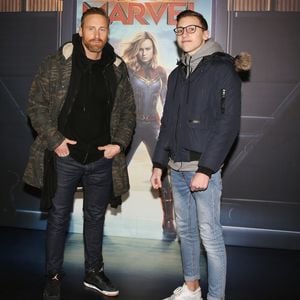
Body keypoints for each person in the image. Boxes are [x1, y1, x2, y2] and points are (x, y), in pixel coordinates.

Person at [23, 7, 135, 300]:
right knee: (59, 217)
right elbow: (36, 106)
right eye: (91, 29)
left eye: (102, 30)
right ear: (81, 30)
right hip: (65, 157)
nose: (97, 35)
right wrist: (55, 140)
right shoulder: (57, 63)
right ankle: (54, 276)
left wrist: (119, 144)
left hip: (101, 159)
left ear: (108, 33)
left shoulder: (117, 67)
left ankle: (93, 272)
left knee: (95, 217)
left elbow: (128, 112)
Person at [151, 10, 243, 300]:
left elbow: (229, 125)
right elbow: (168, 121)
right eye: (180, 30)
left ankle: (216, 297)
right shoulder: (178, 73)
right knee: (187, 233)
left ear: (206, 33)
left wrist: (206, 168)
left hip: (203, 169)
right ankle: (191, 289)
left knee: (210, 237)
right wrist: (158, 162)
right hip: (176, 167)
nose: (185, 34)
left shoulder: (222, 68)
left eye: (192, 28)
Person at [122, 32, 176, 239]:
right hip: (132, 125)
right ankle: (98, 211)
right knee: (116, 168)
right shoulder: (127, 70)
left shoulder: (161, 72)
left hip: (153, 125)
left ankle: (168, 219)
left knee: (162, 171)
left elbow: (167, 103)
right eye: (141, 48)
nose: (144, 52)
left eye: (148, 48)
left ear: (154, 50)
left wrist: (169, 128)